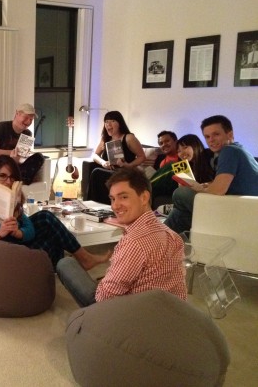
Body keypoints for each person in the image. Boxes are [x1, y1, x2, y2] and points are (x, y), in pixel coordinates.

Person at [56, 167, 187, 307]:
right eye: (112, 199)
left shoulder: (133, 243)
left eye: (124, 197)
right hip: (171, 311)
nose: (115, 206)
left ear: (144, 197)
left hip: (130, 314)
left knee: (66, 264)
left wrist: (104, 283)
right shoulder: (172, 235)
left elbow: (103, 298)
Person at [0, 156, 111, 269]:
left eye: (12, 177)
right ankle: (81, 260)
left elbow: (29, 230)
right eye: (2, 176)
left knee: (47, 222)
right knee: (49, 230)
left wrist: (18, 232)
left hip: (15, 246)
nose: (8, 182)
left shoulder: (14, 200)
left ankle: (56, 275)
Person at [164, 115, 258, 233]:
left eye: (216, 134)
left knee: (181, 193)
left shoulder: (229, 151)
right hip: (241, 205)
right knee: (181, 213)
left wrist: (199, 188)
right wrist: (207, 185)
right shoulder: (238, 150)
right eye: (207, 137)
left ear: (230, 135)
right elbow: (225, 182)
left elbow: (218, 190)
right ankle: (160, 237)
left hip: (241, 209)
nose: (211, 140)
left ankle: (158, 237)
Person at [87, 110, 146, 204]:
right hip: (109, 170)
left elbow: (142, 157)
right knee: (94, 168)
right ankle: (93, 204)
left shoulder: (129, 138)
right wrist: (103, 162)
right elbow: (95, 155)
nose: (108, 124)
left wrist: (128, 165)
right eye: (106, 122)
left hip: (124, 171)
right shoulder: (105, 139)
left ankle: (97, 202)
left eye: (112, 121)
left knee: (96, 172)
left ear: (120, 123)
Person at [0, 103, 47, 185]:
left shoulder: (27, 134)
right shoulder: (2, 127)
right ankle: (17, 179)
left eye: (31, 119)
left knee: (39, 157)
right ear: (17, 114)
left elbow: (20, 157)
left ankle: (20, 181)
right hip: (0, 166)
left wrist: (22, 156)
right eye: (26, 117)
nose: (28, 122)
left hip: (15, 166)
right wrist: (10, 152)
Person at [151, 134, 214, 208]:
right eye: (179, 151)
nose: (182, 153)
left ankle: (145, 188)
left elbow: (221, 180)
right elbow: (182, 189)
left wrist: (205, 185)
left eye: (185, 147)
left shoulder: (209, 155)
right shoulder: (185, 164)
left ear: (195, 145)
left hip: (204, 194)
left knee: (172, 166)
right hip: (186, 190)